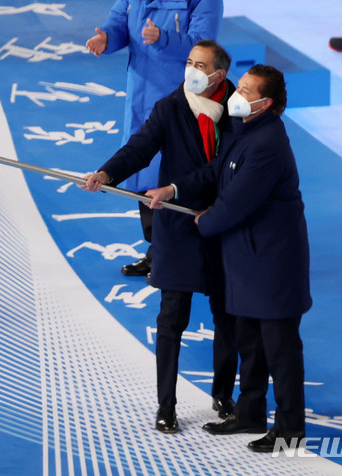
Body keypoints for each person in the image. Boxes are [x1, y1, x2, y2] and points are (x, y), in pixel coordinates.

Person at [147, 65, 312, 453]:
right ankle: (250, 412)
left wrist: (202, 223)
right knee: (251, 344)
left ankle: (290, 432)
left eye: (248, 89)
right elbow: (214, 172)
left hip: (272, 267)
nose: (239, 93)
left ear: (265, 103)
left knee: (281, 352)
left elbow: (236, 203)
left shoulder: (267, 144)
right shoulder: (244, 132)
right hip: (245, 261)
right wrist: (173, 189)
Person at [82, 40, 238, 434]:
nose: (191, 70)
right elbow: (140, 147)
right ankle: (165, 406)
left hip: (220, 224)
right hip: (178, 227)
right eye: (189, 62)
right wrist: (106, 173)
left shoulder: (236, 108)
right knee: (172, 319)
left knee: (227, 317)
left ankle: (223, 395)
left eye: (200, 65)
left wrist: (174, 190)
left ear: (219, 75)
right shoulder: (170, 106)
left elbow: (225, 166)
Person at [86, 0, 223, 279]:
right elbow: (117, 24)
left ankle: (189, 252)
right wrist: (106, 40)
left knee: (176, 177)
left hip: (180, 101)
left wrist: (163, 39)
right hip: (141, 95)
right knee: (143, 178)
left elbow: (204, 47)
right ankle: (157, 250)